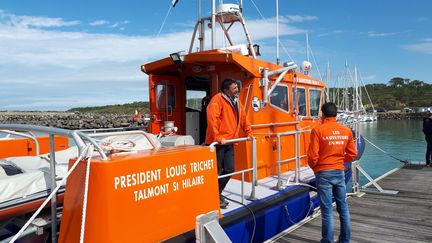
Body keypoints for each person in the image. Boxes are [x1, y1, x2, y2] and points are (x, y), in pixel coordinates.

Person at [307, 102, 357, 243]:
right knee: (343, 208)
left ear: (323, 114)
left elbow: (312, 157)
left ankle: (327, 241)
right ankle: (345, 240)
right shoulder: (346, 131)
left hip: (323, 173)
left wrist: (315, 167)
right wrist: (340, 160)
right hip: (339, 171)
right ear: (336, 114)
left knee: (327, 211)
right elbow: (352, 154)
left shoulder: (318, 131)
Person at [205, 78, 252, 209]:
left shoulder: (237, 101)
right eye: (234, 88)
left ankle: (217, 193)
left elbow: (243, 118)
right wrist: (218, 137)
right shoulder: (217, 100)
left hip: (230, 141)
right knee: (217, 170)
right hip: (219, 142)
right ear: (226, 90)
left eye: (237, 87)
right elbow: (212, 119)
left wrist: (249, 132)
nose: (237, 90)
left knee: (230, 169)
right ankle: (213, 195)